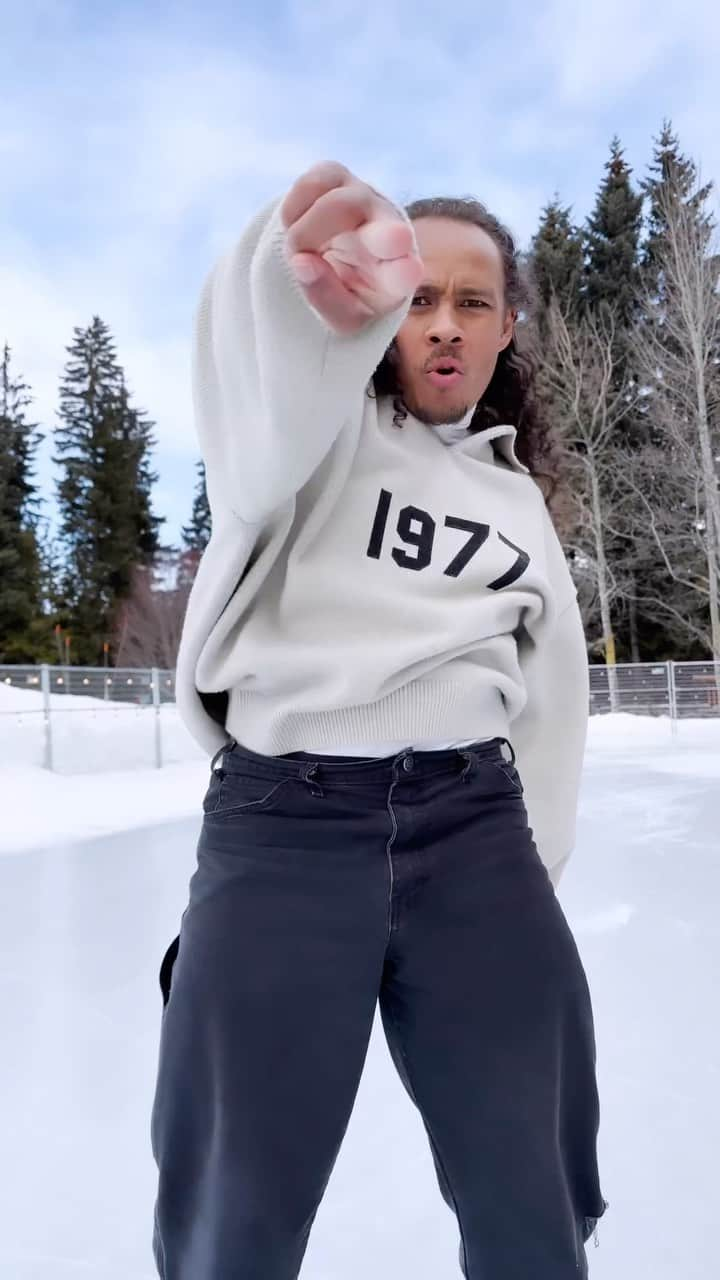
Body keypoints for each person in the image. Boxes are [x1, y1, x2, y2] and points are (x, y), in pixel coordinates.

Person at [150, 160, 609, 1279]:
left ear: (508, 330)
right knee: (234, 1205)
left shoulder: (517, 502)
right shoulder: (308, 438)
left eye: (473, 302)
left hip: (477, 835)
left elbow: (552, 701)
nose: (443, 326)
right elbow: (254, 362)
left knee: (534, 1186)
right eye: (417, 298)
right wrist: (290, 255)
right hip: (286, 829)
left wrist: (526, 882)